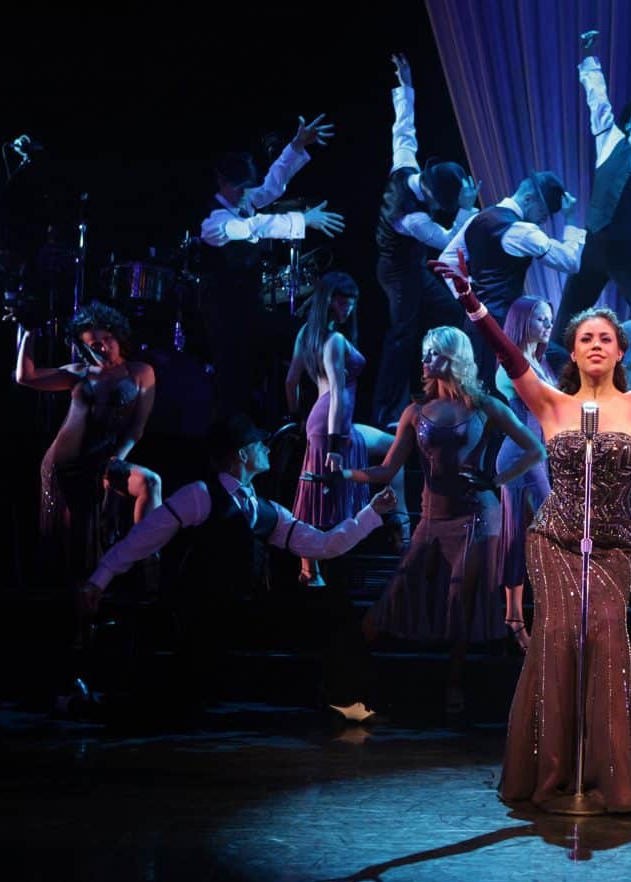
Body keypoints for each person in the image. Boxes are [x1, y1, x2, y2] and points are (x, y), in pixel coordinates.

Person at [430, 235, 631, 814]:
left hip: (612, 548)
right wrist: (471, 301)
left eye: (606, 338)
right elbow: (507, 355)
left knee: (604, 638)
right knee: (558, 639)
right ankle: (556, 777)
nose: (596, 344)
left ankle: (609, 774)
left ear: (620, 351)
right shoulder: (551, 404)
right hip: (553, 540)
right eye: (586, 339)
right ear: (574, 353)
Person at [76, 412, 398, 720]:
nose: (267, 448)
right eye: (259, 444)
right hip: (201, 615)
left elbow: (324, 545)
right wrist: (98, 579)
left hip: (245, 613)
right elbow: (144, 537)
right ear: (243, 454)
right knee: (172, 700)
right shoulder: (200, 495)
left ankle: (349, 700)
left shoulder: (266, 510)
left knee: (333, 604)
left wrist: (371, 512)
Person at [336, 326, 546, 714]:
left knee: (460, 601)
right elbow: (387, 470)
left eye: (432, 353)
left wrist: (497, 480)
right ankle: (346, 677)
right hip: (432, 517)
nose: (424, 360)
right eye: (424, 352)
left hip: (476, 518)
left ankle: (454, 683)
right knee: (396, 593)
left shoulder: (484, 406)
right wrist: (345, 474)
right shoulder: (415, 412)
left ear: (453, 358)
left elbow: (535, 449)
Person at [199, 113, 345, 421]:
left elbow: (272, 185)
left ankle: (297, 415)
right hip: (225, 315)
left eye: (248, 188)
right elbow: (251, 227)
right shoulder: (214, 221)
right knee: (231, 381)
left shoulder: (242, 199)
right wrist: (302, 220)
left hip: (249, 309)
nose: (247, 195)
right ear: (222, 182)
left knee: (296, 339)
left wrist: (296, 145)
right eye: (241, 189)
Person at [372, 53, 480, 429]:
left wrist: (406, 85)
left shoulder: (407, 166)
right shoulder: (412, 219)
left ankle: (445, 388)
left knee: (451, 311)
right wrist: (464, 208)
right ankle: (387, 413)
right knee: (402, 335)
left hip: (413, 265)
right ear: (433, 195)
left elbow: (403, 129)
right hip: (396, 271)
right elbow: (448, 240)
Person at [15, 301, 162, 574]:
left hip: (104, 461)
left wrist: (116, 459)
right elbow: (26, 377)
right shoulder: (79, 373)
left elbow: (136, 429)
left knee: (149, 482)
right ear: (85, 348)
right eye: (95, 345)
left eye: (107, 339)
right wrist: (28, 333)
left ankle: (148, 566)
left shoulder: (142, 372)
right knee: (71, 548)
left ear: (117, 336)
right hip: (63, 465)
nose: (103, 347)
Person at [553, 29, 631, 338]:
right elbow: (598, 100)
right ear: (628, 124)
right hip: (593, 249)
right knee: (566, 320)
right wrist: (589, 57)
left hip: (627, 255)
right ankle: (554, 365)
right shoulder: (610, 139)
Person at [285, 272, 403, 586]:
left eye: (351, 302)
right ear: (327, 300)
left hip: (326, 421)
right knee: (317, 490)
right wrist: (336, 443)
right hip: (332, 424)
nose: (347, 307)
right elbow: (337, 392)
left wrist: (297, 417)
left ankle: (311, 569)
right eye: (341, 300)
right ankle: (310, 571)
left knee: (393, 449)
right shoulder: (334, 340)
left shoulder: (307, 334)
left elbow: (291, 383)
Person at [439, 172, 582, 388]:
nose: (545, 219)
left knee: (489, 393)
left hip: (478, 326)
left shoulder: (478, 219)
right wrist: (571, 219)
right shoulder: (523, 231)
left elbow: (446, 260)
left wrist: (469, 299)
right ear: (528, 199)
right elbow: (570, 262)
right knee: (556, 371)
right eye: (544, 212)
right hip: (506, 329)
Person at [494, 296, 556, 651]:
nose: (549, 326)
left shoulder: (539, 361)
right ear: (523, 322)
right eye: (541, 319)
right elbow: (539, 403)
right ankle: (516, 619)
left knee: (529, 535)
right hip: (520, 457)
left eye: (550, 319)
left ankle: (520, 616)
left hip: (537, 455)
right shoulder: (511, 364)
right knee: (521, 535)